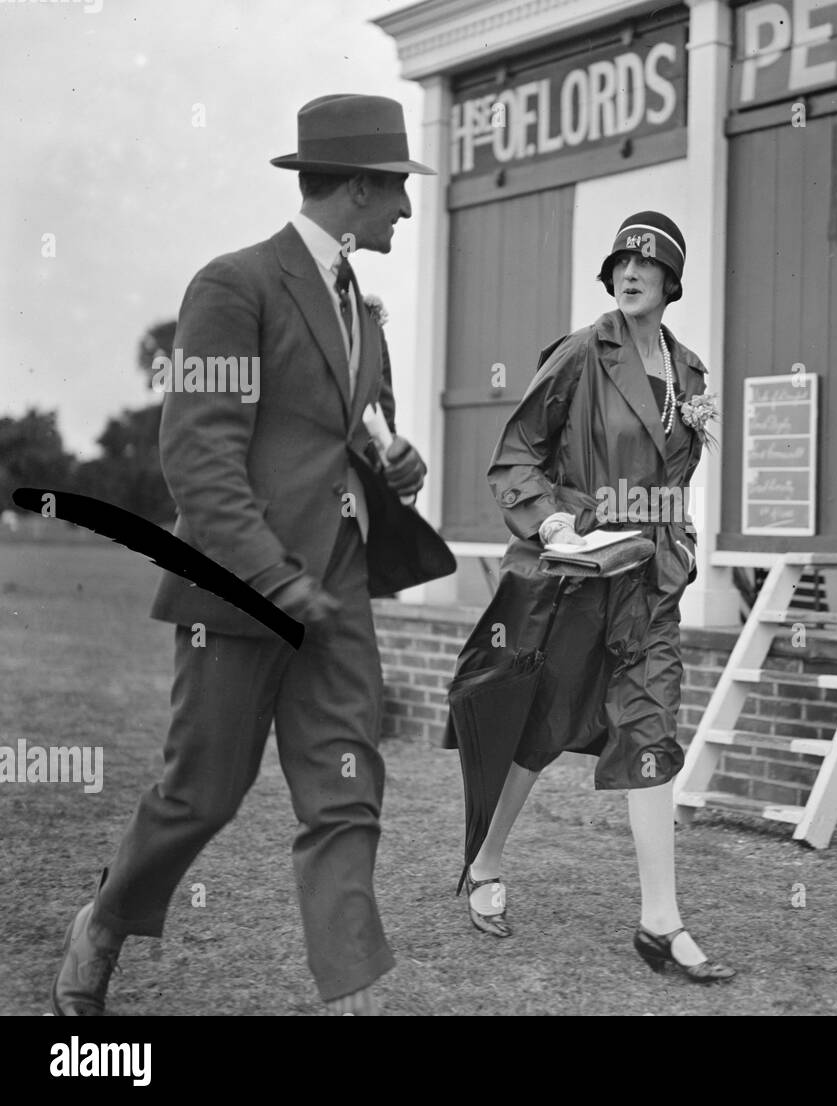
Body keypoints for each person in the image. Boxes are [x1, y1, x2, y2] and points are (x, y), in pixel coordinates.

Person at [50, 94, 454, 1016]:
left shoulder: (366, 309)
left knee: (346, 787)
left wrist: (397, 467)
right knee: (203, 793)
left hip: (338, 590)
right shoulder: (233, 287)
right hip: (241, 590)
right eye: (395, 191)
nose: (403, 209)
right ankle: (107, 919)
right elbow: (197, 455)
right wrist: (272, 576)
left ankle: (352, 992)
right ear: (357, 186)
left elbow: (338, 439)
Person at [448, 211, 734, 983]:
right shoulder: (582, 353)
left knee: (652, 726)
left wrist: (675, 539)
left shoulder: (694, 374)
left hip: (651, 583)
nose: (631, 273)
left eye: (647, 264)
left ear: (672, 281)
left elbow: (674, 479)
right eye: (620, 264)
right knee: (542, 725)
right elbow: (517, 455)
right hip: (579, 574)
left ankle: (660, 922)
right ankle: (485, 858)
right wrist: (551, 521)